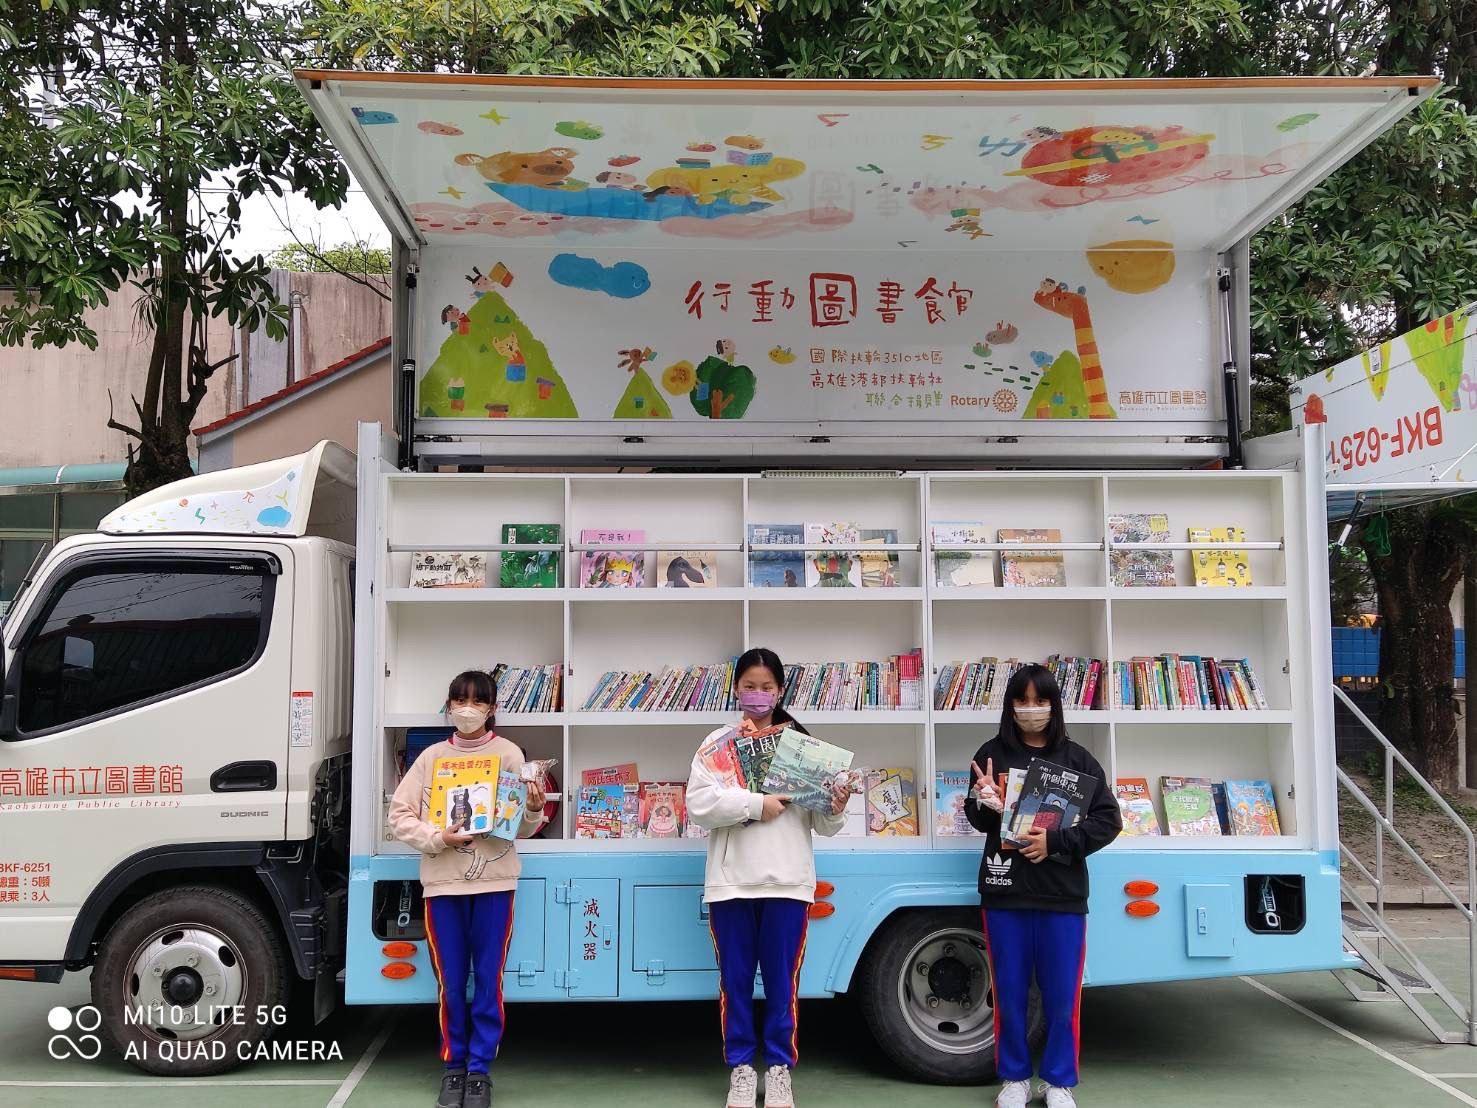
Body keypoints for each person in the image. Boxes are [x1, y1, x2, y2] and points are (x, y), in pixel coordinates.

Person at [686, 648, 849, 1108]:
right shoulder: (717, 744)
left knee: (782, 983)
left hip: (788, 884)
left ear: (781, 691)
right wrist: (756, 805)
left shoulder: (801, 745)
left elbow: (823, 823)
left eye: (767, 687)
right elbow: (699, 806)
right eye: (749, 686)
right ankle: (741, 1068)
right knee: (734, 983)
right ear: (735, 689)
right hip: (730, 884)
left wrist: (836, 805)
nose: (758, 695)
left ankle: (778, 1069)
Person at [965, 663, 1121, 1108]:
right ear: (1010, 705)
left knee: (1061, 997)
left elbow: (1109, 821)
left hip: (1063, 896)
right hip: (1005, 891)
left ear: (1054, 705)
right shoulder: (992, 752)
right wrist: (983, 802)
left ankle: (1059, 1082)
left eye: (1040, 700)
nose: (1031, 710)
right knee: (1009, 994)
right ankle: (1013, 1079)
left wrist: (1056, 842)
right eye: (1022, 700)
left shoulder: (1078, 760)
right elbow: (979, 821)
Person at [389, 670, 548, 1108]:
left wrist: (533, 809)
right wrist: (438, 838)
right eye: (460, 699)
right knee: (451, 981)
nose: (467, 708)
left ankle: (480, 1070)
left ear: (492, 708)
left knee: (489, 978)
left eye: (477, 701)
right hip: (442, 884)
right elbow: (400, 815)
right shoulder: (431, 758)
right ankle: (453, 1065)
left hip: (496, 881)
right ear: (448, 704)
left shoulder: (510, 754)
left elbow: (524, 826)